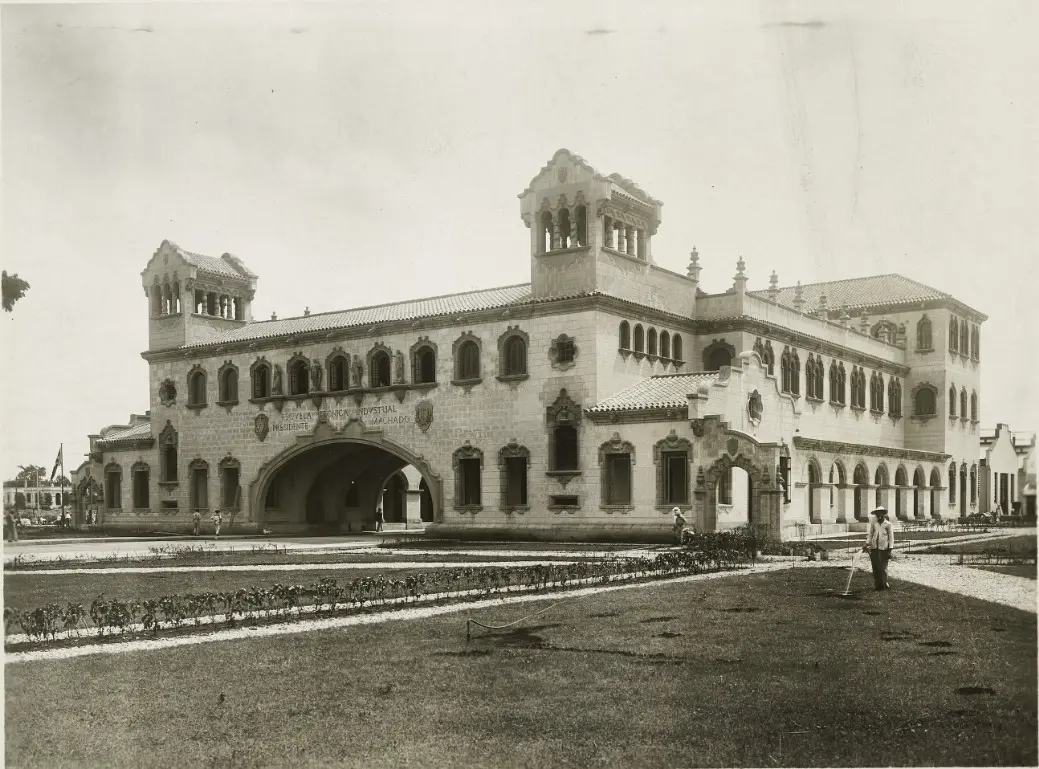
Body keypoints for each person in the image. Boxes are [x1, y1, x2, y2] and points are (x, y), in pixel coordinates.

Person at [863, 506, 894, 591]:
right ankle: (877, 585)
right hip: (874, 548)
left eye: (880, 513)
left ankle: (884, 584)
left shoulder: (888, 524)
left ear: (883, 514)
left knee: (883, 567)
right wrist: (867, 543)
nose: (878, 515)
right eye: (877, 513)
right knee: (875, 567)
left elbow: (891, 537)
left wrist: (890, 549)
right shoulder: (874, 524)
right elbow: (870, 534)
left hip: (884, 548)